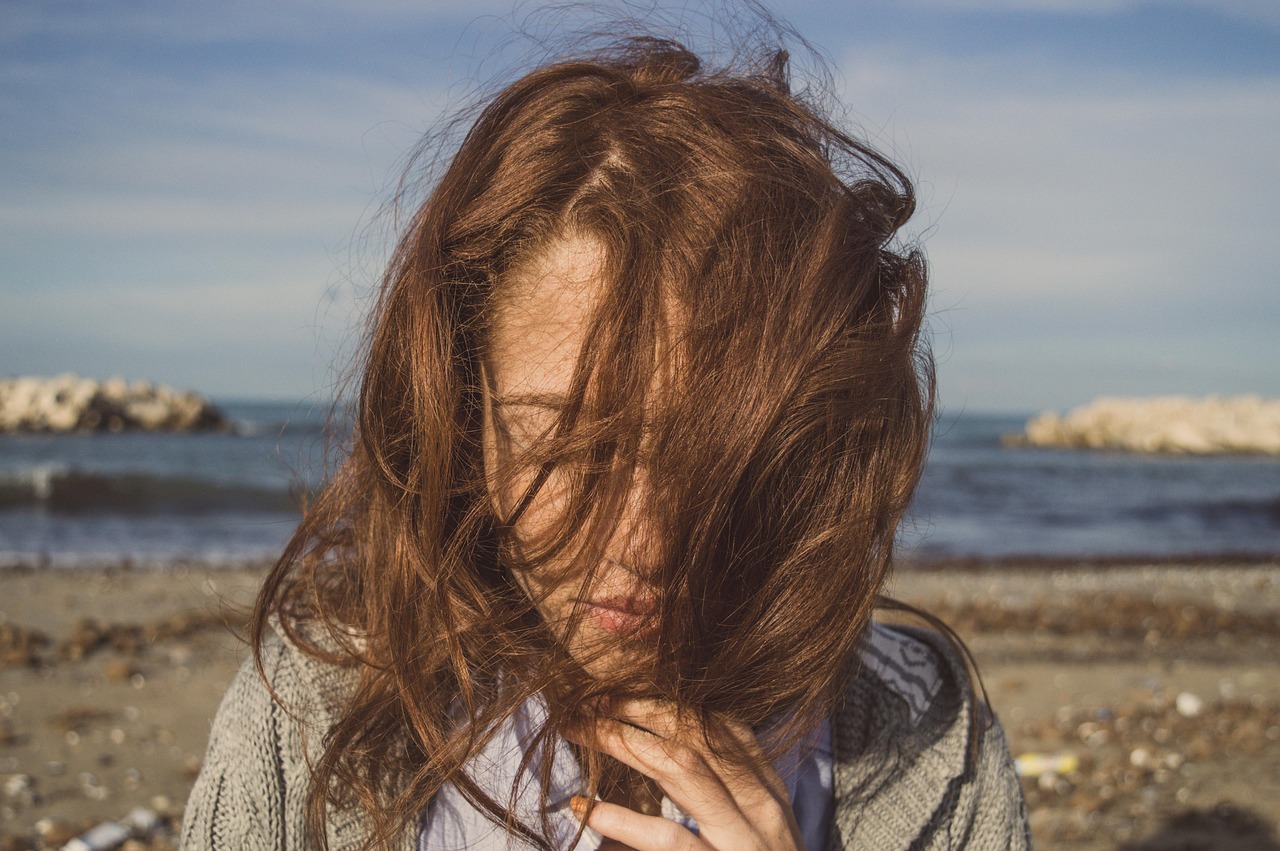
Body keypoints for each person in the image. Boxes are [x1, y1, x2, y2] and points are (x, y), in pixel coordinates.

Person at [182, 27, 1030, 851]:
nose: (642, 547)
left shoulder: (928, 737)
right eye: (563, 447)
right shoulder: (315, 706)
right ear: (462, 413)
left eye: (711, 458)